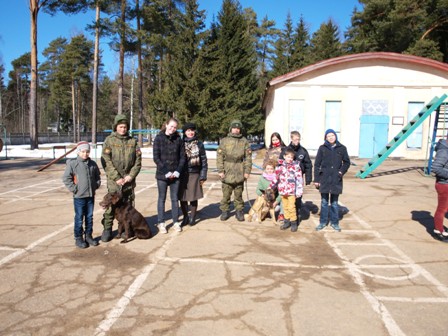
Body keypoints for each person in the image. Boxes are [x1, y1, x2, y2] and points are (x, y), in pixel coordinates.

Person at [101, 114, 142, 242]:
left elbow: (138, 161)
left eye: (125, 127)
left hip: (128, 181)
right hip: (115, 181)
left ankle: (125, 229)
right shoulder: (109, 141)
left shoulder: (133, 141)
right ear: (115, 127)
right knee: (110, 205)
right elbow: (105, 160)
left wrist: (131, 176)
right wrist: (116, 177)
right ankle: (107, 228)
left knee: (128, 206)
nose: (123, 129)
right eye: (120, 126)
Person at [62, 142, 101, 248]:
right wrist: (74, 189)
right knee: (79, 217)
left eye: (87, 151)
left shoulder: (92, 164)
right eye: (83, 152)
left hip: (90, 195)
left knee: (89, 217)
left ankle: (88, 236)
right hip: (79, 196)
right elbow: (66, 178)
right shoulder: (73, 164)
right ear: (78, 152)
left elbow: (97, 176)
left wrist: (96, 185)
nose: (85, 154)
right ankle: (78, 238)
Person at [153, 117, 186, 233]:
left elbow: (182, 157)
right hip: (162, 175)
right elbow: (156, 158)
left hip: (176, 175)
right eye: (171, 126)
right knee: (161, 199)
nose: (173, 129)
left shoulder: (179, 139)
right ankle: (161, 222)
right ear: (166, 125)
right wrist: (166, 171)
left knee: (174, 199)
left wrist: (177, 171)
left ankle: (176, 222)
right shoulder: (158, 138)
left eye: (175, 127)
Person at [314, 129, 350, 232]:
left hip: (336, 179)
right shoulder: (322, 148)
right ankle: (322, 222)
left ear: (335, 136)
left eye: (332, 135)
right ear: (325, 138)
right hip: (324, 179)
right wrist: (316, 179)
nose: (330, 137)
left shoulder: (342, 148)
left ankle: (335, 223)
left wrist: (340, 172)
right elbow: (317, 164)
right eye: (328, 136)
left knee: (334, 203)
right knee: (324, 202)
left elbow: (347, 162)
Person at [217, 119, 252, 222]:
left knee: (238, 194)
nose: (236, 130)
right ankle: (225, 211)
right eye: (234, 128)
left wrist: (247, 171)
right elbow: (219, 156)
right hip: (227, 168)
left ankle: (239, 211)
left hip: (239, 169)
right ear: (231, 128)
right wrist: (220, 170)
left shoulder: (244, 141)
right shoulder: (224, 141)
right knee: (226, 193)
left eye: (238, 128)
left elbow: (248, 158)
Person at [280, 131, 313, 224]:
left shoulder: (303, 151)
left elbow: (308, 165)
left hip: (298, 179)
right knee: (287, 201)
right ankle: (287, 219)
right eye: (295, 139)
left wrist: (308, 178)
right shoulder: (286, 150)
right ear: (291, 139)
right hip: (286, 181)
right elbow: (280, 163)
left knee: (297, 199)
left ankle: (296, 218)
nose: (296, 141)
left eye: (298, 139)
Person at [179, 122, 208, 226]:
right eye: (188, 130)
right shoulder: (180, 143)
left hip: (194, 173)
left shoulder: (199, 144)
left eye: (192, 130)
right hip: (182, 174)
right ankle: (185, 217)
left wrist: (203, 175)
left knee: (193, 197)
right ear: (184, 132)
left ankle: (192, 218)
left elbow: (204, 161)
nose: (190, 132)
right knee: (182, 197)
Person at [270, 149, 303, 232]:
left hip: (291, 191)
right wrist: (270, 186)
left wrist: (299, 191)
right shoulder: (279, 166)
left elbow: (299, 179)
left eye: (292, 157)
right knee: (285, 207)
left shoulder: (296, 166)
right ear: (284, 156)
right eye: (288, 157)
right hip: (282, 190)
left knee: (292, 207)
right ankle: (286, 221)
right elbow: (275, 178)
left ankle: (293, 222)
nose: (290, 159)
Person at [430, 137, 448, 242]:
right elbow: (435, 168)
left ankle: (440, 227)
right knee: (442, 209)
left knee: (445, 208)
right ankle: (438, 230)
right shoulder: (444, 150)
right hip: (444, 185)